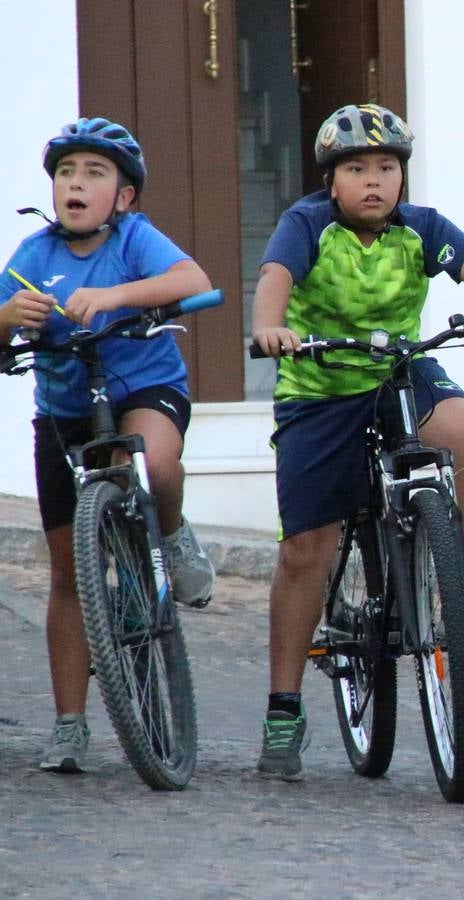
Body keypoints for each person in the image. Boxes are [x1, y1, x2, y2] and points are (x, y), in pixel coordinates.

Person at [251, 103, 464, 781]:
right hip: (320, 386)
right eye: (357, 169)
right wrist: (270, 327)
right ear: (332, 181)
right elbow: (275, 279)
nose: (374, 181)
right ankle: (284, 707)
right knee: (305, 551)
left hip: (396, 370)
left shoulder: (420, 227)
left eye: (386, 167)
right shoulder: (307, 224)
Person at [0, 117, 216, 773]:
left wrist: (116, 296)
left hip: (141, 390)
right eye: (67, 172)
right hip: (65, 414)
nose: (77, 184)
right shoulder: (33, 256)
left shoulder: (135, 240)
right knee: (67, 574)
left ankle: (171, 536)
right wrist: (7, 317)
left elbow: (190, 278)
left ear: (122, 196)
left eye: (94, 173)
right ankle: (70, 724)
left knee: (152, 462)